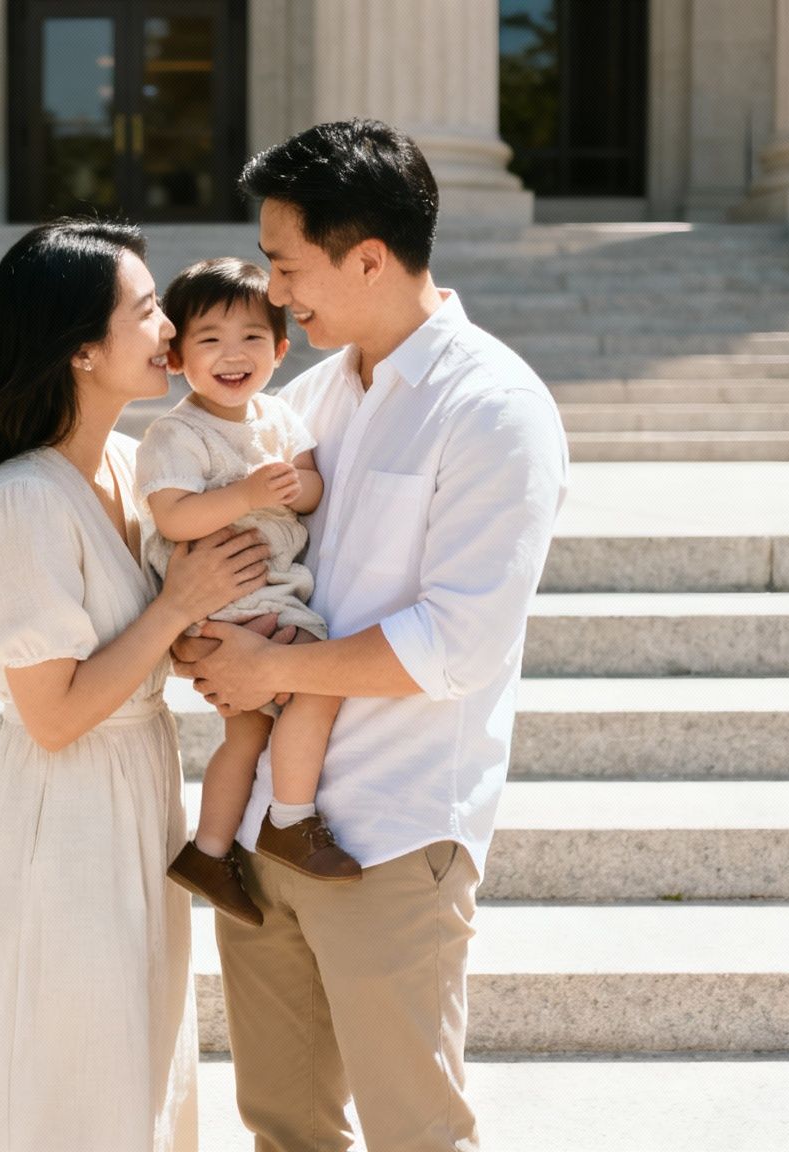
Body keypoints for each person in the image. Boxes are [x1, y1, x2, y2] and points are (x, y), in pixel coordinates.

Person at [175, 120, 571, 1151]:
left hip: (391, 833)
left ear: (367, 258)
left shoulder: (492, 409)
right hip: (266, 827)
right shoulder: (302, 399)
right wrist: (201, 637)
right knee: (283, 1128)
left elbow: (456, 641)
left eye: (284, 265)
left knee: (414, 1133)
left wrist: (270, 664)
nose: (270, 296)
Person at [0, 218, 273, 1152]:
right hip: (67, 811)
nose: (174, 327)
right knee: (71, 1056)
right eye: (149, 308)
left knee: (137, 1048)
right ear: (82, 348)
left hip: (139, 785)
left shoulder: (131, 466)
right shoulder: (22, 499)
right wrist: (177, 608)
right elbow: (52, 716)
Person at [139, 257, 361, 932]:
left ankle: (208, 852)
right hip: (228, 599)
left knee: (247, 732)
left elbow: (310, 485)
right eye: (209, 340)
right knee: (318, 684)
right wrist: (246, 495)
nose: (232, 356)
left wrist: (302, 488)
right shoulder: (177, 433)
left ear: (281, 349)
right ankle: (290, 820)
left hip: (265, 594)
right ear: (176, 355)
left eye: (252, 339)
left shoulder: (279, 417)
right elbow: (174, 515)